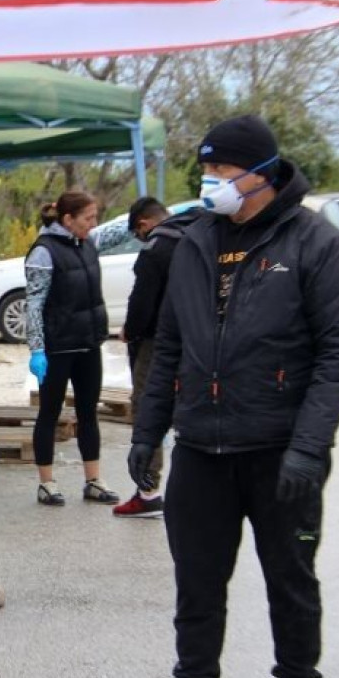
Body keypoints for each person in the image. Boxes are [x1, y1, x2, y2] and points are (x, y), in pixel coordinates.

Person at [129, 115, 339, 678]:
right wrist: (148, 432)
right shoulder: (195, 242)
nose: (211, 182)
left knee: (292, 580)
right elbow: (170, 345)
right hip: (201, 450)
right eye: (206, 170)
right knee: (197, 586)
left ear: (262, 173)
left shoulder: (317, 243)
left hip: (280, 452)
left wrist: (309, 447)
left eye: (223, 171)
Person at [25, 191, 134, 507]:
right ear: (68, 219)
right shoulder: (44, 252)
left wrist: (148, 213)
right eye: (88, 218)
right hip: (57, 348)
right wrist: (37, 349)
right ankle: (47, 483)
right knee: (49, 413)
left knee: (89, 413)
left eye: (95, 217)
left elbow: (119, 229)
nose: (93, 223)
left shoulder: (88, 241)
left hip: (88, 343)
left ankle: (93, 480)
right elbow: (34, 304)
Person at [114, 196, 186, 519]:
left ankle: (148, 490)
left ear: (143, 224)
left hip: (157, 342)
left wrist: (130, 331)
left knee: (148, 405)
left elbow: (141, 302)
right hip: (199, 341)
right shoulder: (196, 238)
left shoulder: (155, 250)